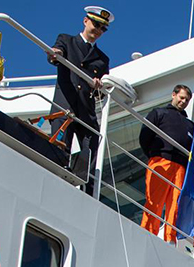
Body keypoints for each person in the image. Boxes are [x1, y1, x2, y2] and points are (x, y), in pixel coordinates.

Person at [48, 6, 113, 190]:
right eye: (96, 25)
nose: (98, 31)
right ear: (86, 21)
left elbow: (101, 92)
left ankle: (86, 190)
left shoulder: (102, 59)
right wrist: (55, 54)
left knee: (91, 149)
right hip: (65, 105)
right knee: (60, 149)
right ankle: (55, 184)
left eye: (103, 28)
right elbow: (55, 54)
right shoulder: (66, 40)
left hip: (86, 110)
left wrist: (99, 86)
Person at [139, 85, 194, 242]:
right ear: (173, 95)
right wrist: (155, 154)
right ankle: (147, 233)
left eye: (187, 100)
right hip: (161, 161)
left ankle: (170, 238)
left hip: (181, 167)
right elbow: (145, 136)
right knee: (154, 201)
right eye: (181, 97)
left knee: (175, 206)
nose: (183, 101)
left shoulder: (190, 125)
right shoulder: (159, 113)